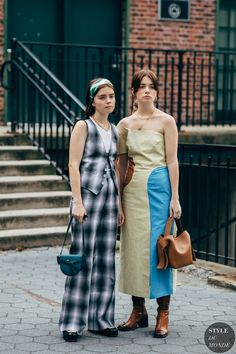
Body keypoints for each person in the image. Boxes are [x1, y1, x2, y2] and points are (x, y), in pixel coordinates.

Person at [116, 69, 181, 338]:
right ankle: (138, 311)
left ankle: (162, 313)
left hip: (159, 191)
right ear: (133, 92)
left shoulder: (167, 121)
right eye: (141, 86)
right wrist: (118, 200)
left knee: (160, 249)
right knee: (133, 250)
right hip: (132, 193)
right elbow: (120, 162)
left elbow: (172, 161)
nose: (146, 91)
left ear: (156, 91)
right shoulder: (124, 124)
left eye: (151, 86)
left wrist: (175, 197)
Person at [59, 78, 123, 342]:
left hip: (109, 199)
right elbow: (73, 165)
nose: (109, 101)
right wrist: (78, 202)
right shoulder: (83, 126)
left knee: (106, 261)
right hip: (87, 197)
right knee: (83, 259)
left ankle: (101, 319)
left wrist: (120, 205)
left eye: (112, 96)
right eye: (103, 97)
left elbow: (118, 169)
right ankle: (72, 323)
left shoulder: (116, 130)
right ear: (92, 101)